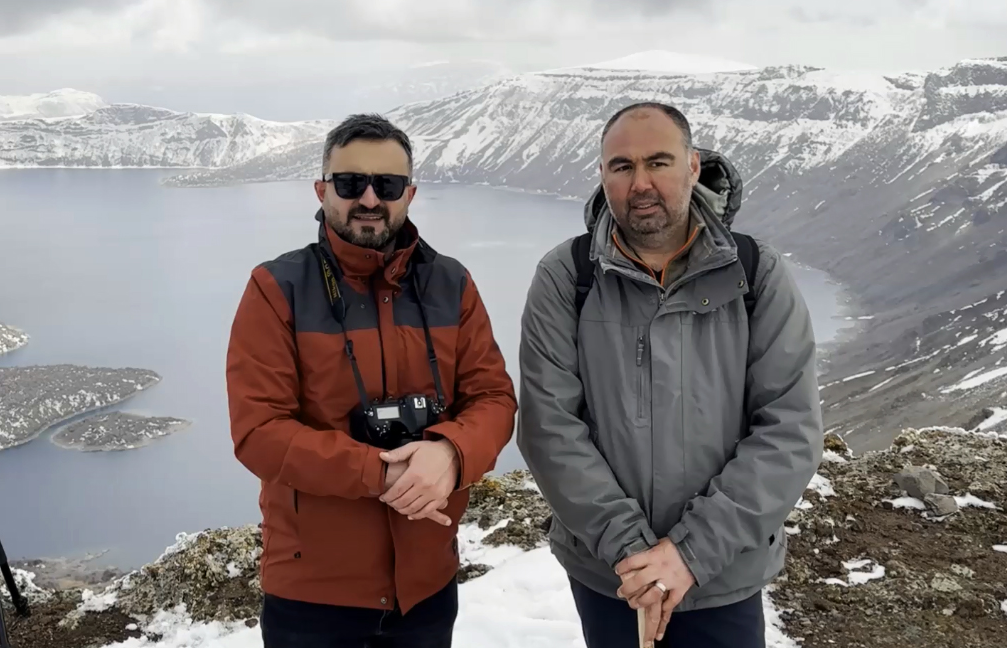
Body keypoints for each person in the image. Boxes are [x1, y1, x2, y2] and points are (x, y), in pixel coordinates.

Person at [516, 101, 823, 648]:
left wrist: (690, 554)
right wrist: (635, 555)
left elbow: (789, 429)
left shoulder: (756, 273)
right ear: (603, 175)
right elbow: (550, 427)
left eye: (658, 163)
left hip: (722, 575)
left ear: (693, 167)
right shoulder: (568, 277)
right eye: (622, 166)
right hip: (612, 576)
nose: (641, 184)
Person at [226, 113, 518, 647]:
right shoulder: (277, 288)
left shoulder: (450, 284)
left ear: (409, 193)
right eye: (348, 183)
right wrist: (381, 474)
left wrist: (449, 454)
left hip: (427, 585)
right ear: (321, 189)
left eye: (385, 185)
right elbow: (258, 431)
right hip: (313, 594)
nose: (367, 198)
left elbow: (494, 398)